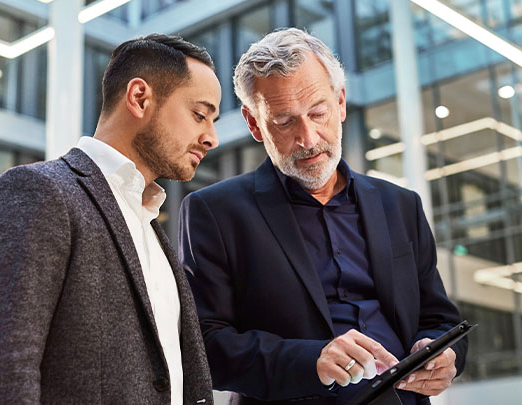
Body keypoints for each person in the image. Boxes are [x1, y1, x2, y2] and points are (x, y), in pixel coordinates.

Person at [178, 28, 466, 404]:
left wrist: (449, 358)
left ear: (341, 102)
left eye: (318, 112)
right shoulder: (214, 212)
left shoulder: (402, 205)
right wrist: (312, 361)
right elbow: (204, 345)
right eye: (284, 121)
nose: (309, 138)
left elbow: (440, 318)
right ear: (254, 124)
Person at [0, 33, 221, 404]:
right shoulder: (38, 193)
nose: (211, 137)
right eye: (200, 115)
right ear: (139, 97)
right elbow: (0, 375)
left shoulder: (151, 224)